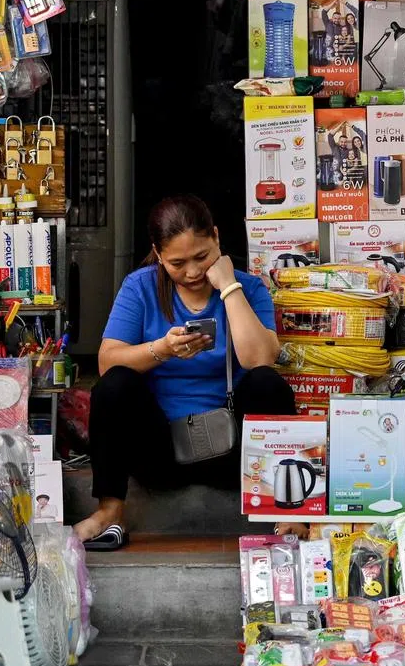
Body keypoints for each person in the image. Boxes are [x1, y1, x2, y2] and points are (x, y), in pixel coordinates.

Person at [74, 195, 294, 549]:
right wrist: (160, 350)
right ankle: (110, 510)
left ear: (217, 239)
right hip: (160, 452)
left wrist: (230, 287)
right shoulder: (140, 287)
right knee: (113, 385)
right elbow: (106, 361)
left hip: (233, 451)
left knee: (267, 383)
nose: (192, 272)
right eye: (177, 263)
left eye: (201, 257)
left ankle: (286, 511)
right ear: (158, 255)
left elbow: (260, 359)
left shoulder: (249, 288)